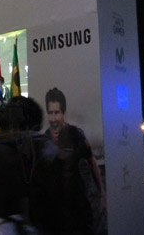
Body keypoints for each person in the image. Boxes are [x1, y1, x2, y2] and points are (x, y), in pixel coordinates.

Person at [42, 87, 106, 235]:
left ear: (63, 113)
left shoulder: (76, 134)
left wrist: (102, 193)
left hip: (78, 208)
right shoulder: (44, 140)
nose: (53, 119)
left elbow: (91, 162)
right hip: (55, 211)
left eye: (57, 113)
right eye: (50, 113)